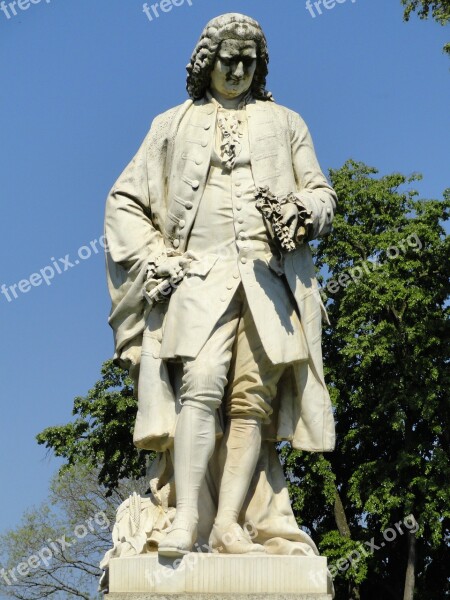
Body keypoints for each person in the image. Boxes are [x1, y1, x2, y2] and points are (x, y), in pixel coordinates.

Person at [105, 12, 336, 559]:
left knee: (251, 401)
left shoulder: (287, 122)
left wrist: (302, 212)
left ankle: (229, 525)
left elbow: (322, 194)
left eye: (248, 61)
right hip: (198, 277)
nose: (237, 69)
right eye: (227, 59)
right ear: (205, 61)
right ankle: (186, 516)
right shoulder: (171, 124)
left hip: (267, 281)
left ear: (260, 65)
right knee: (200, 387)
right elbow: (125, 199)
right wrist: (156, 256)